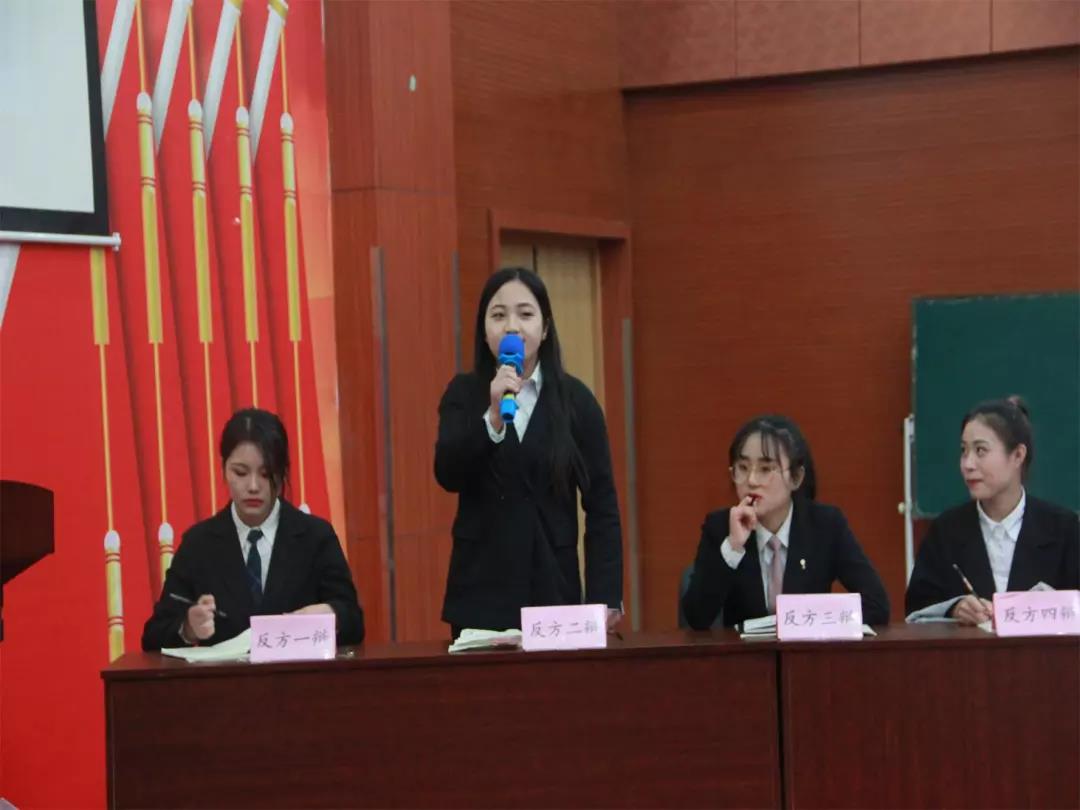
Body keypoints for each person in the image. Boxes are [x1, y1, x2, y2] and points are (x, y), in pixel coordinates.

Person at [434, 267, 622, 636]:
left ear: (545, 328)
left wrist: (606, 595)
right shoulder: (463, 394)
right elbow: (447, 473)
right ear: (483, 329)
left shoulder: (577, 401)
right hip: (480, 593)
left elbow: (602, 505)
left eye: (525, 314)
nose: (512, 327)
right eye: (498, 315)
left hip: (554, 587)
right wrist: (492, 418)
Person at [142, 408, 364, 650]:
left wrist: (332, 615)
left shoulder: (315, 537)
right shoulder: (199, 544)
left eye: (266, 474)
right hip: (226, 675)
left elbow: (354, 622)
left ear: (283, 473)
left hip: (297, 674)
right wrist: (187, 628)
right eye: (240, 472)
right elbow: (153, 636)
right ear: (223, 469)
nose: (253, 486)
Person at [681, 415, 890, 629]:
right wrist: (733, 548)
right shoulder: (721, 527)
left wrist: (811, 621)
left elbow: (877, 605)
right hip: (745, 651)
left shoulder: (826, 526)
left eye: (765, 469)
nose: (751, 480)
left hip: (806, 650)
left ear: (796, 477)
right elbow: (696, 619)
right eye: (742, 468)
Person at [905, 397, 1079, 624]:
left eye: (980, 451)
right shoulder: (946, 531)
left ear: (1017, 455)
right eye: (964, 451)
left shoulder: (1063, 528)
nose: (967, 464)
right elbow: (916, 608)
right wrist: (954, 608)